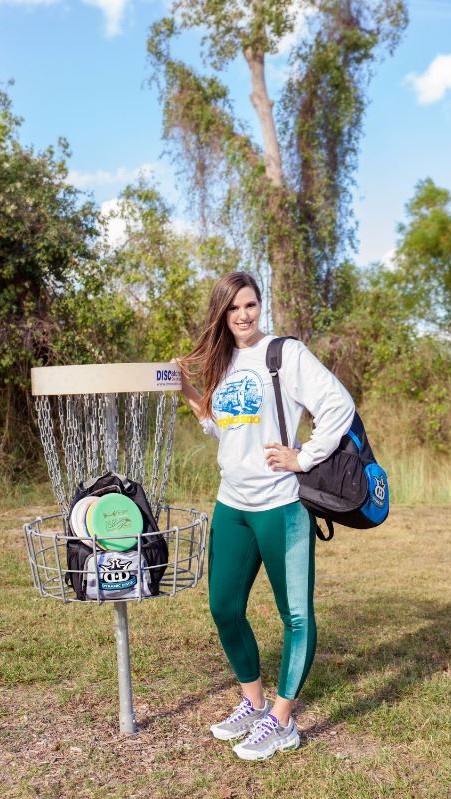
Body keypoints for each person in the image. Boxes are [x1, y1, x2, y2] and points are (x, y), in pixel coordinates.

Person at [175, 271, 355, 761]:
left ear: (261, 305)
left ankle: (281, 720)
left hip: (282, 506)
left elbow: (338, 404)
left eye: (251, 304)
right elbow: (223, 428)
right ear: (222, 313)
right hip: (232, 504)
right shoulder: (225, 359)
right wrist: (190, 390)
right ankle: (253, 703)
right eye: (233, 308)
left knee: (295, 615)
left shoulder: (285, 354)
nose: (243, 315)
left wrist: (305, 456)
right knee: (223, 607)